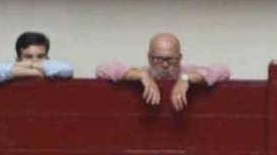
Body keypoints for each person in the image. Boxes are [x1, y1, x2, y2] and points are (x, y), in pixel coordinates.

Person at [96, 33, 230, 112]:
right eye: (158, 59)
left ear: (179, 58)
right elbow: (102, 70)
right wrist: (142, 75)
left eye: (170, 59)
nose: (165, 65)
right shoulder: (141, 72)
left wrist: (185, 78)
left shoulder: (188, 72)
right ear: (149, 58)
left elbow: (223, 71)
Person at [0, 31, 74, 84]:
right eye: (28, 56)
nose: (35, 60)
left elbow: (68, 69)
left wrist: (28, 66)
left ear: (47, 57)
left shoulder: (51, 66)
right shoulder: (14, 65)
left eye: (40, 56)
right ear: (18, 58)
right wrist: (36, 72)